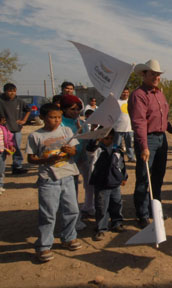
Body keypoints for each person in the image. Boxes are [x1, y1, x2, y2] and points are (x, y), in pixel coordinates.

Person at [26, 103, 82, 263]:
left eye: (58, 117)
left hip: (68, 176)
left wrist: (71, 151)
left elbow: (74, 151)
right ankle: (43, 246)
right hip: (48, 179)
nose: (56, 120)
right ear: (43, 118)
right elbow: (31, 159)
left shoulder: (67, 131)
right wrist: (46, 159)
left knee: (72, 210)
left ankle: (69, 237)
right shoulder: (35, 136)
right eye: (52, 117)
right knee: (48, 214)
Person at [128, 59, 169, 228]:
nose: (156, 77)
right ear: (144, 74)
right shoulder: (139, 95)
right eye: (153, 74)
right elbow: (139, 122)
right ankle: (142, 214)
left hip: (162, 138)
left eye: (158, 74)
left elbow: (164, 118)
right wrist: (144, 146)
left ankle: (155, 209)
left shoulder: (159, 93)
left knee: (158, 176)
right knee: (144, 178)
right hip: (148, 139)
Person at [87, 129, 127, 241]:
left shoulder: (117, 150)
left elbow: (122, 165)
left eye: (110, 138)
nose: (108, 140)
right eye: (105, 138)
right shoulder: (96, 150)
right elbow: (89, 149)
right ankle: (101, 228)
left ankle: (117, 223)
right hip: (101, 183)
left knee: (117, 204)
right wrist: (96, 140)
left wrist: (124, 177)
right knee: (101, 207)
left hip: (115, 183)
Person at [60, 95, 92, 230]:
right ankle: (74, 221)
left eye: (78, 109)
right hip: (68, 162)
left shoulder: (80, 122)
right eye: (72, 109)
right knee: (71, 192)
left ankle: (89, 207)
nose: (76, 112)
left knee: (90, 184)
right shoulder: (60, 123)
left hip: (83, 158)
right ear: (64, 109)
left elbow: (87, 139)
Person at [0, 83, 30, 174]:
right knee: (2, 150)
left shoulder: (19, 101)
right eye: (9, 91)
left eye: (13, 91)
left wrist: (23, 120)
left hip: (16, 129)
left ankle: (17, 166)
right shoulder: (1, 100)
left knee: (16, 147)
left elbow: (28, 110)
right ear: (5, 91)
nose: (12, 93)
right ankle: (2, 169)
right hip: (3, 129)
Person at [113, 88, 136, 162]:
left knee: (129, 145)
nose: (125, 94)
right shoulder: (117, 102)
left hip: (129, 128)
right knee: (117, 144)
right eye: (124, 92)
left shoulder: (131, 101)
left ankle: (131, 157)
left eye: (127, 92)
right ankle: (115, 157)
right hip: (118, 127)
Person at [0, 114, 15, 194]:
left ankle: (0, 185)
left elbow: (9, 138)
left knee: (1, 170)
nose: (5, 121)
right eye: (3, 120)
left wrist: (11, 146)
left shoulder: (4, 128)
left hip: (2, 153)